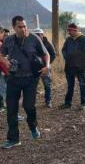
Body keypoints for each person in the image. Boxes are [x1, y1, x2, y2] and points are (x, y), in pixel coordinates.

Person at [0, 16, 50, 149]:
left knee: (29, 106)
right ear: (14, 27)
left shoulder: (34, 38)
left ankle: (33, 126)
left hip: (30, 79)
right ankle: (13, 139)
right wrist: (5, 61)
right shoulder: (8, 40)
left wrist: (47, 66)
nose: (23, 29)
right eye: (20, 26)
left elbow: (46, 54)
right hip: (13, 78)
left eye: (24, 26)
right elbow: (1, 53)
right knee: (11, 109)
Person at [60, 23, 85, 110]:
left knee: (82, 84)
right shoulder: (68, 39)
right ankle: (67, 103)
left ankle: (84, 103)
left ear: (75, 30)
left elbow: (84, 52)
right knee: (70, 85)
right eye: (68, 30)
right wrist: (66, 56)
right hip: (69, 66)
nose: (68, 32)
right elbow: (63, 49)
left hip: (80, 66)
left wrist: (73, 56)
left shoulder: (83, 39)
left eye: (70, 30)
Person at [33, 28, 56, 108]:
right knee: (33, 86)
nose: (38, 36)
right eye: (36, 35)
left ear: (42, 35)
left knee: (47, 85)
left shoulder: (47, 44)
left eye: (40, 34)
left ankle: (48, 101)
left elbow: (53, 54)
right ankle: (32, 102)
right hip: (35, 68)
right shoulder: (32, 44)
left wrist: (47, 65)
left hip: (45, 68)